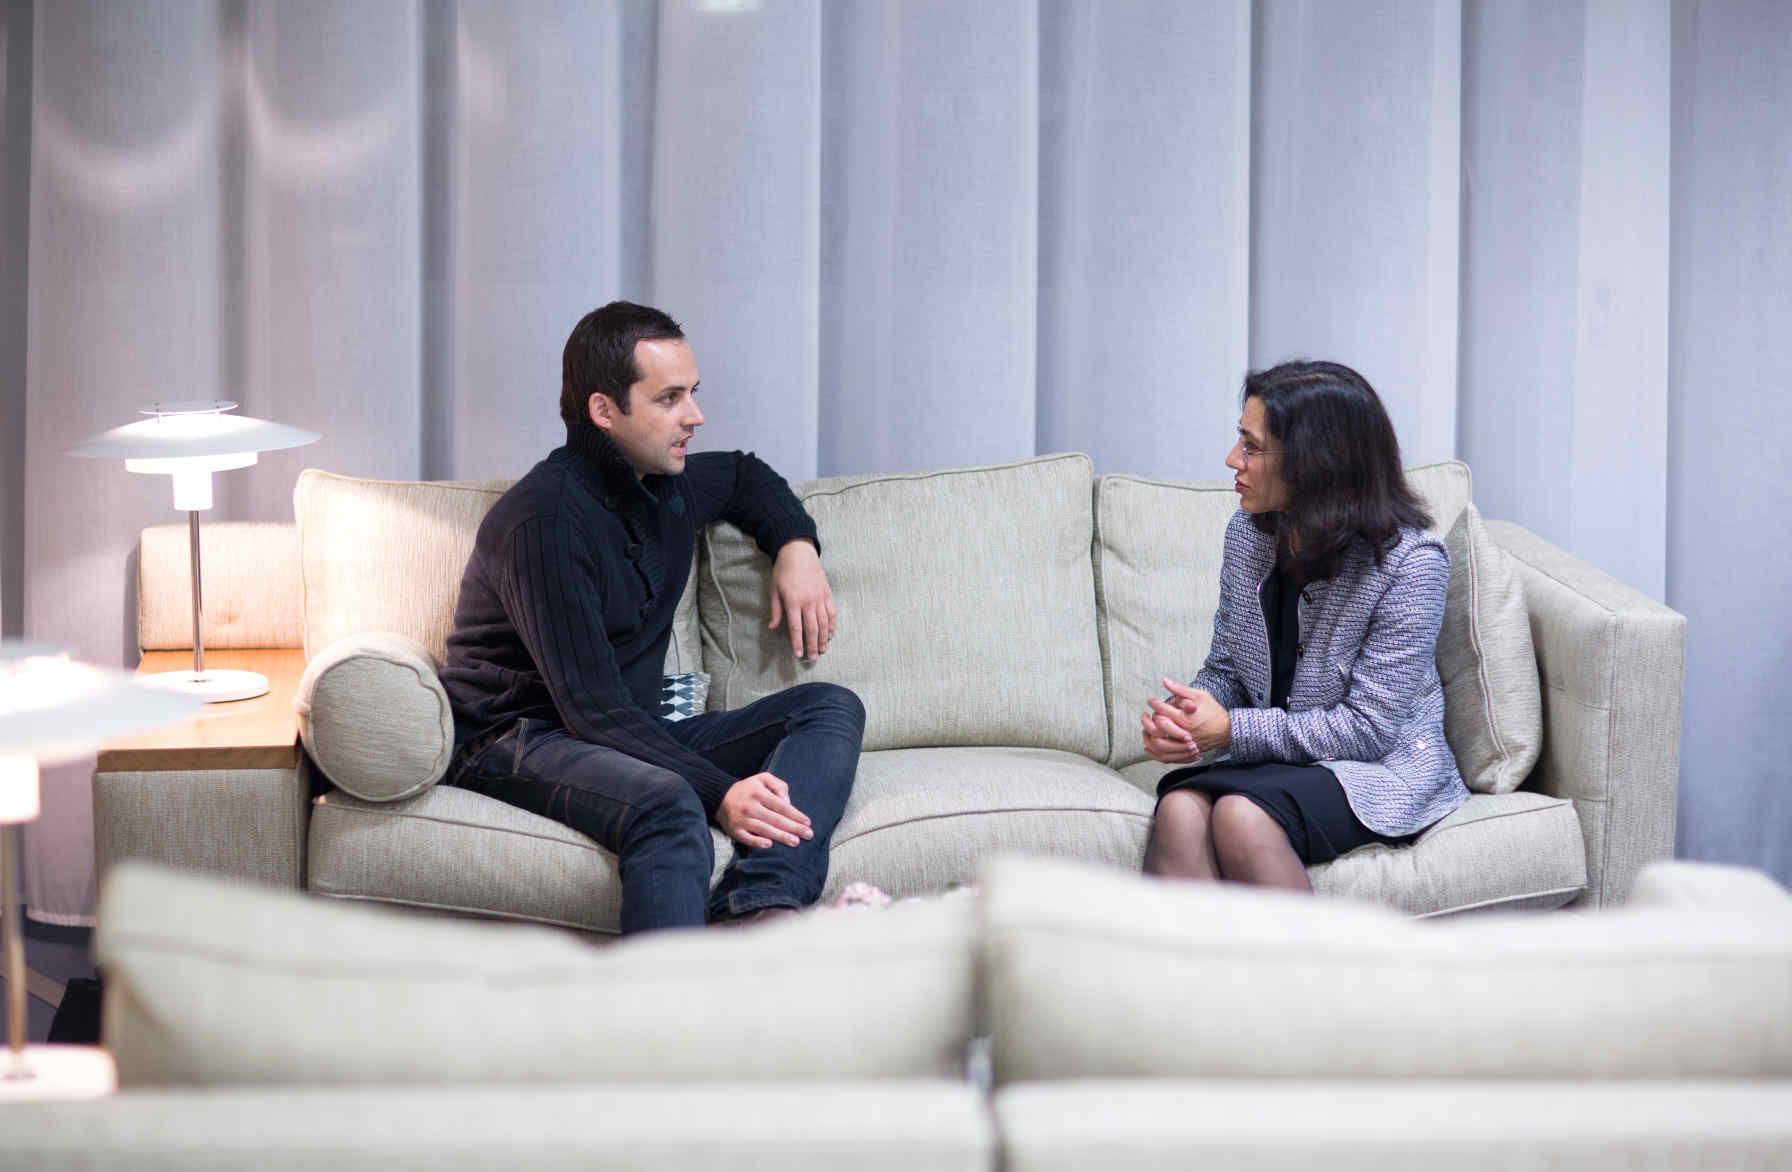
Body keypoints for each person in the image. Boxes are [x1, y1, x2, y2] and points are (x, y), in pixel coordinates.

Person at [439, 301, 864, 932]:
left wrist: (797, 549)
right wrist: (721, 792)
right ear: (604, 410)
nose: (695, 416)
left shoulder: (667, 481)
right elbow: (590, 707)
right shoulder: (545, 524)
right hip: (514, 738)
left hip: (619, 727)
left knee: (828, 706)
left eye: (693, 392)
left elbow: (746, 476)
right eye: (669, 398)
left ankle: (759, 904)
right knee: (668, 803)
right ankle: (658, 1016)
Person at [1141, 360, 1468, 890]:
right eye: (1238, 440)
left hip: (1379, 767)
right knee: (1179, 807)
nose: (1232, 461)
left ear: (1315, 462)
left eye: (1251, 446)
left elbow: (1368, 729)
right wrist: (1190, 718)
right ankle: (1195, 974)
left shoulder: (1411, 563)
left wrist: (1230, 730)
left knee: (1240, 816)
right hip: (1282, 760)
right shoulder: (1249, 535)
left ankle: (1313, 974)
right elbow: (1227, 669)